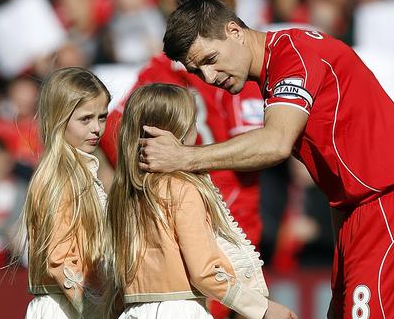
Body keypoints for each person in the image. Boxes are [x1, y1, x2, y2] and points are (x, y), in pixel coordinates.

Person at [141, 0, 394, 319]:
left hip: (392, 205)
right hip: (364, 210)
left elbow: (275, 143)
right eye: (197, 70)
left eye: (211, 59)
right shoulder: (279, 68)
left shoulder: (292, 54)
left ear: (234, 30)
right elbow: (336, 175)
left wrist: (183, 158)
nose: (210, 75)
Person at [99, 0, 264, 250]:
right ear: (229, 1)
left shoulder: (159, 69)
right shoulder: (235, 66)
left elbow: (114, 130)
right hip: (231, 219)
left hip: (171, 214)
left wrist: (149, 178)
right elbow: (256, 148)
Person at [106, 83, 296, 319]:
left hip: (133, 310)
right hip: (180, 310)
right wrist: (263, 308)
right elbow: (204, 272)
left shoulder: (123, 194)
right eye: (194, 121)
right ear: (181, 130)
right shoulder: (182, 188)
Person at [21, 67, 110, 318]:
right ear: (59, 118)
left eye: (101, 117)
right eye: (85, 119)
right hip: (64, 307)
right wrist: (97, 311)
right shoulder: (60, 177)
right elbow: (59, 260)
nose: (96, 129)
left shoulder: (82, 172)